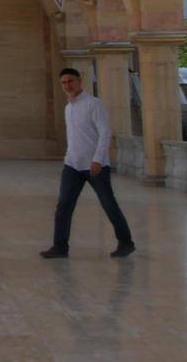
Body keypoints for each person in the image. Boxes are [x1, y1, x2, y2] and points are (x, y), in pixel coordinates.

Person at [42, 67, 135, 259]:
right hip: (72, 165)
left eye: (71, 81)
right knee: (64, 206)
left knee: (108, 204)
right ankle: (60, 247)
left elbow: (104, 132)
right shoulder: (68, 107)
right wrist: (69, 157)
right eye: (64, 82)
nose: (67, 85)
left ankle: (126, 243)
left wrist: (98, 159)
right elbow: (74, 137)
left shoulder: (94, 104)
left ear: (79, 82)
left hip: (95, 166)